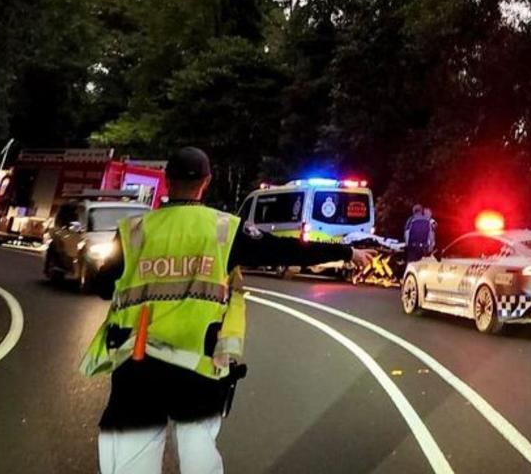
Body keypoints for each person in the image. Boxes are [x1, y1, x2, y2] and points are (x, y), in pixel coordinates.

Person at [80, 147, 375, 474]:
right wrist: (347, 251)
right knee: (198, 458)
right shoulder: (225, 229)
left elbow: (103, 285)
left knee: (131, 459)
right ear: (206, 182)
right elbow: (285, 249)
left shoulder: (133, 231)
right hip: (198, 366)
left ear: (166, 181)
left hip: (137, 365)